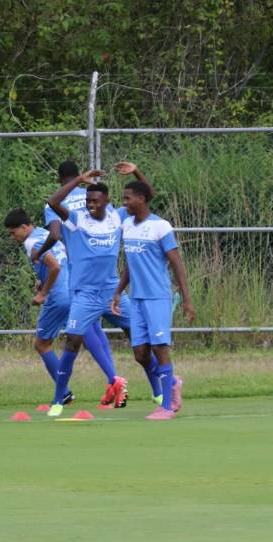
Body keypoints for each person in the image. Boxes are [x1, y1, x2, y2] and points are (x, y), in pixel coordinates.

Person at [45, 164, 155, 417]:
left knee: (140, 340)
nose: (90, 204)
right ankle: (58, 400)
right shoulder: (76, 219)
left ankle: (160, 391)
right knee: (72, 341)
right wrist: (79, 180)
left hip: (112, 293)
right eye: (88, 200)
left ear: (107, 200)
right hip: (85, 294)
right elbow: (53, 201)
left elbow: (147, 196)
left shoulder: (119, 216)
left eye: (95, 200)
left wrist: (137, 172)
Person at [111, 177, 196, 419]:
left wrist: (187, 299)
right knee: (140, 353)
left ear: (142, 199)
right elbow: (130, 263)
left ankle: (167, 407)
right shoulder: (127, 225)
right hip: (136, 299)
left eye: (128, 198)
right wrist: (118, 291)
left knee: (160, 348)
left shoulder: (161, 226)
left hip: (158, 297)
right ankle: (173, 382)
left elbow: (177, 264)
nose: (124, 202)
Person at [4, 208, 75, 402]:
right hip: (73, 291)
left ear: (24, 227)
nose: (13, 237)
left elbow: (55, 266)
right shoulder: (46, 234)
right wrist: (44, 280)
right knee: (76, 339)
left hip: (58, 297)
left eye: (13, 232)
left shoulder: (31, 242)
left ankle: (64, 392)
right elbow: (61, 260)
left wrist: (43, 293)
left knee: (42, 344)